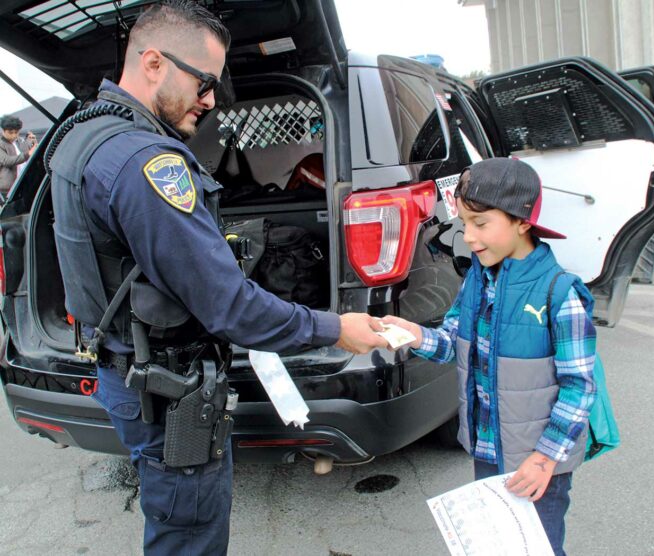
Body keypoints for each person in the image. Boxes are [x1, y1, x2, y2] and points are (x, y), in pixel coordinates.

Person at [45, 1, 388, 554]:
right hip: (167, 388)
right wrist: (335, 328)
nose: (210, 100)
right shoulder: (147, 162)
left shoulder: (82, 135)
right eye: (204, 82)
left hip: (125, 371)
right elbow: (229, 306)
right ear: (153, 62)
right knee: (189, 537)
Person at [383, 158, 597, 556]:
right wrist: (415, 336)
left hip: (538, 466)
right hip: (487, 451)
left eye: (481, 224)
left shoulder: (560, 293)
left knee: (538, 549)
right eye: (465, 225)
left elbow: (579, 388)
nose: (470, 237)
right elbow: (453, 344)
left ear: (522, 221)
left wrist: (545, 458)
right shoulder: (476, 281)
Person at [0, 115, 37, 203]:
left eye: (16, 132)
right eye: (10, 132)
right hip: (8, 188)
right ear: (3, 130)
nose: (14, 135)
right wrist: (28, 154)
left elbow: (27, 149)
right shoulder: (1, 144)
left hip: (23, 183)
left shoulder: (19, 140)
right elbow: (6, 161)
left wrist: (31, 140)